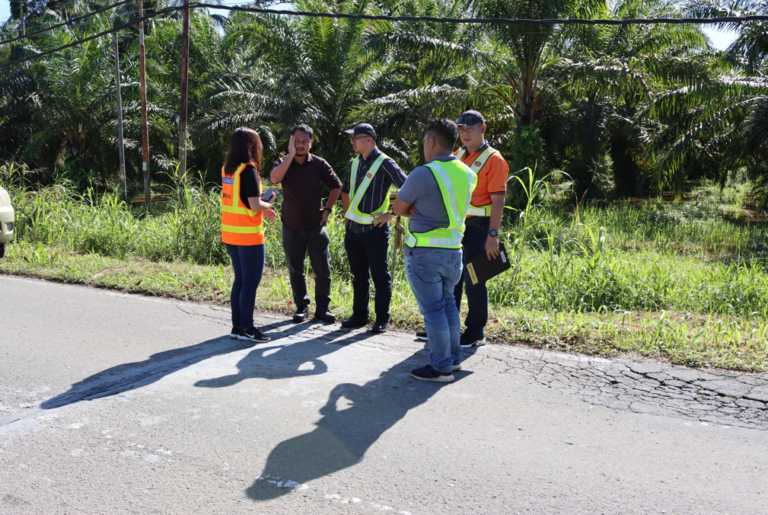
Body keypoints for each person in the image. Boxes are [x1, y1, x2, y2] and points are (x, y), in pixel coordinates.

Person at [415, 110, 509, 348]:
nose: (465, 134)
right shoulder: (457, 154)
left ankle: (476, 332)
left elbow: (498, 201)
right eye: (462, 130)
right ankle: (447, 327)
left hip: (480, 227)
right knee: (452, 277)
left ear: (483, 129)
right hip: (459, 225)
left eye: (471, 129)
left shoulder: (494, 159)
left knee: (475, 279)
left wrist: (493, 236)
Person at [394, 118, 477, 382]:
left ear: (431, 141)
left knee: (433, 312)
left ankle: (440, 367)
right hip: (454, 252)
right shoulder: (468, 173)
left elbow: (398, 208)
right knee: (449, 306)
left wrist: (412, 207)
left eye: (424, 142)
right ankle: (453, 360)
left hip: (425, 253)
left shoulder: (423, 173)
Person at [270, 124, 342, 324]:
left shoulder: (319, 164)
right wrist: (290, 156)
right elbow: (274, 178)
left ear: (311, 143)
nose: (300, 144)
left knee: (323, 269)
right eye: (297, 141)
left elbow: (337, 186)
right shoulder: (283, 163)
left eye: (304, 141)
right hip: (291, 226)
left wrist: (327, 210)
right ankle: (301, 306)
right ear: (291, 141)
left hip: (315, 226)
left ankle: (323, 308)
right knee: (296, 269)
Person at [340, 123, 407, 334]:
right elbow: (345, 190)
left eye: (355, 138)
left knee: (380, 275)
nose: (352, 142)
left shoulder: (385, 163)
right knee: (358, 275)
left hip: (374, 230)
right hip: (353, 230)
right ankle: (360, 315)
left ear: (369, 139)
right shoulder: (354, 164)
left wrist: (391, 213)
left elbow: (408, 188)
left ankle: (381, 318)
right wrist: (347, 216)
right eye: (351, 138)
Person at [221, 127, 278, 343]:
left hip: (231, 233)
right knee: (250, 283)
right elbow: (254, 205)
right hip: (249, 236)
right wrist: (268, 203)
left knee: (240, 281)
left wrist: (262, 203)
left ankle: (237, 327)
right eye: (258, 143)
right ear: (251, 146)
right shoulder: (249, 170)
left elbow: (242, 199)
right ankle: (247, 328)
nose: (260, 146)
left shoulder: (228, 169)